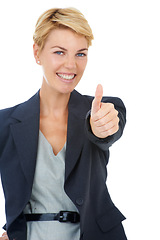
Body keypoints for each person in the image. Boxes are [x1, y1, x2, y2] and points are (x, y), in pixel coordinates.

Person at [0, 7, 127, 240]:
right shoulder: (5, 123)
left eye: (80, 54)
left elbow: (106, 129)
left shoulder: (102, 110)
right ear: (37, 53)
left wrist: (99, 127)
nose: (71, 65)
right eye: (60, 52)